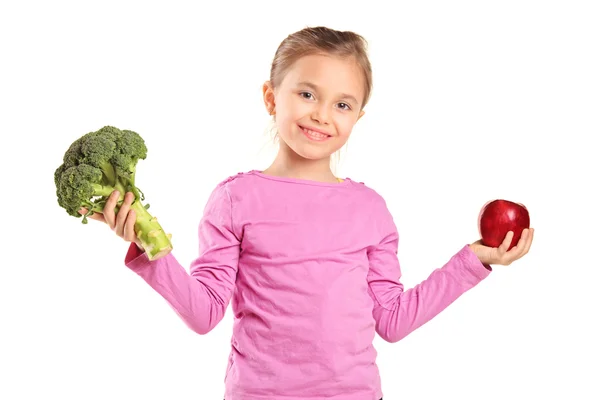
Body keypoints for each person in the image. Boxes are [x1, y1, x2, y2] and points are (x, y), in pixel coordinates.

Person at [81, 26, 534, 400]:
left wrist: (475, 260)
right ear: (272, 97)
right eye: (306, 94)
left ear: (357, 117)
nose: (321, 115)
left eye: (342, 104)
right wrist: (146, 246)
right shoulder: (235, 199)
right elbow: (204, 315)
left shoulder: (370, 209)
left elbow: (393, 322)